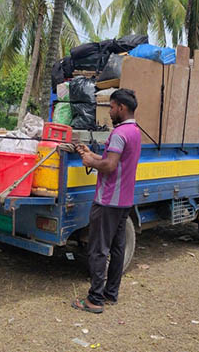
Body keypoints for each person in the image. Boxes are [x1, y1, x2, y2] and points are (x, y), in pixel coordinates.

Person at [72, 89, 142, 314]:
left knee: (98, 250)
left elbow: (110, 166)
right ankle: (110, 294)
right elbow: (114, 162)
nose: (109, 112)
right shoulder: (134, 131)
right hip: (124, 200)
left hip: (108, 200)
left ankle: (94, 300)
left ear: (121, 107)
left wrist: (91, 162)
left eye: (111, 107)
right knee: (117, 248)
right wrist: (90, 156)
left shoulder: (120, 133)